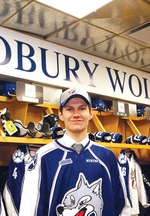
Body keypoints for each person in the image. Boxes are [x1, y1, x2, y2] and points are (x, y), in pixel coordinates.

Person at [19, 87, 129, 216]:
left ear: (90, 113)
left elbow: (122, 205)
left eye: (82, 108)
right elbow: (29, 207)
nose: (76, 114)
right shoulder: (44, 156)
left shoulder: (106, 156)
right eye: (69, 109)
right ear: (60, 114)